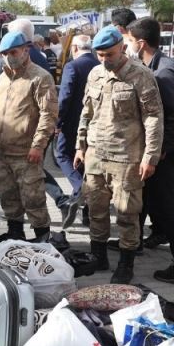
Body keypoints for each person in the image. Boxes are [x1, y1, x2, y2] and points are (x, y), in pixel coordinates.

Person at [75, 25, 163, 283]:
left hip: (126, 157)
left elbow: (154, 118)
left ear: (123, 48)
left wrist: (151, 156)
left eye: (109, 55)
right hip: (95, 155)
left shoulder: (141, 76)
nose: (104, 60)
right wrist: (80, 146)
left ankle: (126, 263)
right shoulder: (94, 74)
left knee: (126, 212)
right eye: (100, 55)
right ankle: (98, 255)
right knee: (96, 208)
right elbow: (86, 113)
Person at [126, 17, 174, 282]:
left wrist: (162, 151)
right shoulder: (147, 66)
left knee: (166, 208)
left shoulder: (163, 73)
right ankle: (134, 245)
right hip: (151, 152)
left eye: (130, 41)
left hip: (162, 156)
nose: (128, 46)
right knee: (142, 199)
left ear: (141, 43)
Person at [0, 31, 58, 241]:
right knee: (8, 196)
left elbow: (49, 114)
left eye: (13, 52)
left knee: (33, 198)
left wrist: (38, 145)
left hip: (26, 152)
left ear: (26, 50)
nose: (9, 56)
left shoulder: (40, 77)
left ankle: (43, 239)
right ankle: (15, 235)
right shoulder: (2, 78)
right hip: (3, 151)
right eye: (4, 53)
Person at [56, 34, 98, 229]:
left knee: (62, 155)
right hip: (95, 124)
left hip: (72, 123)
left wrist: (57, 121)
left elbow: (65, 96)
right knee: (84, 164)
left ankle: (81, 189)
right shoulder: (99, 64)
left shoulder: (72, 66)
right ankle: (87, 213)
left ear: (74, 49)